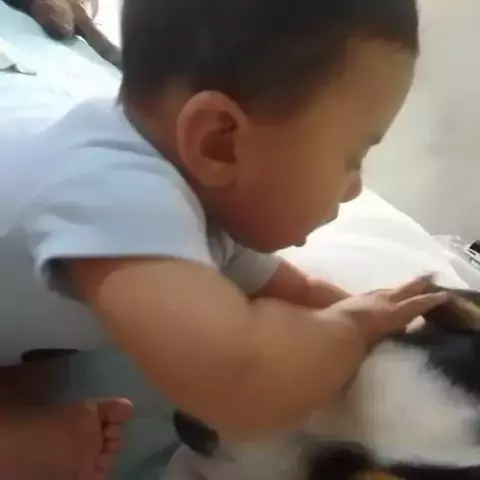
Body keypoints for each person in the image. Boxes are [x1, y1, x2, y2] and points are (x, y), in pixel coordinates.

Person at [0, 0, 449, 476]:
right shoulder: (114, 193)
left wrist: (381, 333)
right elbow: (239, 385)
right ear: (219, 140)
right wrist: (349, 332)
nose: (355, 187)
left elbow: (288, 291)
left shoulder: (191, 195)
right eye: (352, 158)